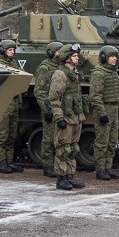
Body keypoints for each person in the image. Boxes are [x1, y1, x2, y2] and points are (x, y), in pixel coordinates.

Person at [48, 43, 87, 190]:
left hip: (76, 116)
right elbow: (54, 98)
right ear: (66, 58)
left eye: (77, 55)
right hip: (65, 117)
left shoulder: (74, 73)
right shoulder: (60, 74)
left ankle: (70, 175)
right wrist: (59, 118)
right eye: (74, 56)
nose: (77, 58)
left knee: (73, 147)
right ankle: (61, 178)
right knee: (63, 148)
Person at [0, 39, 25, 174]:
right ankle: (1, 163)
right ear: (3, 51)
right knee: (2, 136)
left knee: (12, 135)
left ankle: (9, 162)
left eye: (13, 50)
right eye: (10, 50)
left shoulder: (13, 64)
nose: (13, 52)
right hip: (3, 104)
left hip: (14, 102)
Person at [90, 45, 119, 180]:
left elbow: (118, 94)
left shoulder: (113, 73)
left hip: (114, 109)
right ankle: (100, 170)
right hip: (104, 109)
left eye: (116, 56)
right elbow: (95, 96)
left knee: (112, 141)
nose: (115, 59)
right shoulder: (99, 73)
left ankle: (108, 168)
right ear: (104, 58)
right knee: (102, 142)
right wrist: (102, 113)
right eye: (112, 56)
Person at [33, 41, 64, 177]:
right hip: (49, 108)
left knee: (60, 138)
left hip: (61, 108)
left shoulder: (61, 67)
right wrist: (46, 110)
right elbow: (39, 92)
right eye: (58, 51)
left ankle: (58, 164)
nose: (60, 54)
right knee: (48, 138)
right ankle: (47, 165)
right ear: (51, 53)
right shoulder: (44, 68)